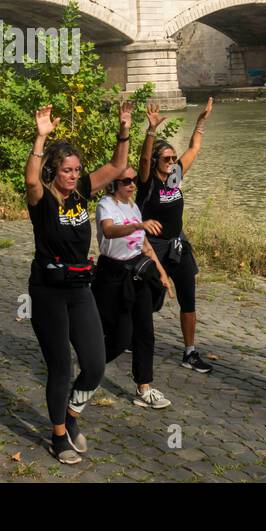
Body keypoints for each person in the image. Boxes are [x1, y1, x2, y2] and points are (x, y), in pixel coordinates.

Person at [25, 99, 133, 465]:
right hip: (48, 291)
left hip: (80, 289)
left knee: (96, 363)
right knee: (61, 367)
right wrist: (40, 140)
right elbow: (29, 179)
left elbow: (119, 166)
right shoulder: (42, 201)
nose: (73, 175)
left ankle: (71, 415)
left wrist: (124, 129)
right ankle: (57, 436)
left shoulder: (83, 192)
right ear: (53, 172)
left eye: (76, 170)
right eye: (66, 170)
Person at [139, 98, 215, 373]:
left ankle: (190, 351)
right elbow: (146, 159)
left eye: (173, 158)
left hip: (177, 245)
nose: (172, 162)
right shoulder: (147, 183)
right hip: (152, 246)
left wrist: (201, 120)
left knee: (188, 297)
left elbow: (194, 147)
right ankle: (126, 334)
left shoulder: (175, 176)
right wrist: (151, 131)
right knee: (146, 299)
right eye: (167, 158)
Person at [96, 165, 175, 409]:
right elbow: (108, 231)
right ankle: (89, 365)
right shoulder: (105, 205)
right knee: (120, 338)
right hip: (112, 274)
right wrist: (138, 226)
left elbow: (144, 244)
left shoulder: (133, 206)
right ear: (114, 184)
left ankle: (144, 388)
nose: (132, 185)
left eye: (133, 181)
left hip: (137, 272)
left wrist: (162, 273)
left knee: (145, 331)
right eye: (126, 181)